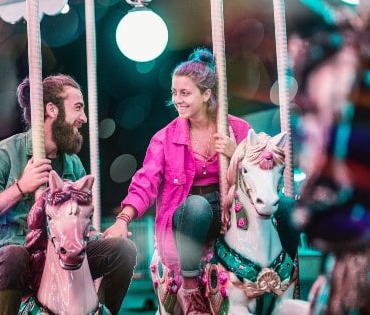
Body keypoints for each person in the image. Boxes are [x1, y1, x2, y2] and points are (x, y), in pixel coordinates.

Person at [103, 47, 266, 314]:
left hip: (230, 209)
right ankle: (189, 286)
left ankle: (281, 279)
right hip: (187, 215)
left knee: (282, 207)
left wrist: (236, 153)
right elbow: (146, 181)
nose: (177, 99)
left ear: (206, 94)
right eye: (174, 93)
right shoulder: (164, 138)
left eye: (185, 93)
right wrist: (123, 220)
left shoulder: (237, 129)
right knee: (197, 206)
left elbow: (262, 172)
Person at [0, 74, 137, 314]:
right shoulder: (5, 154)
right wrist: (21, 187)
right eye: (78, 108)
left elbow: (77, 219)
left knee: (123, 250)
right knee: (13, 256)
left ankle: (101, 310)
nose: (83, 118)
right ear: (52, 109)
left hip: (61, 255)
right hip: (17, 254)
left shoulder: (73, 165)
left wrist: (96, 235)